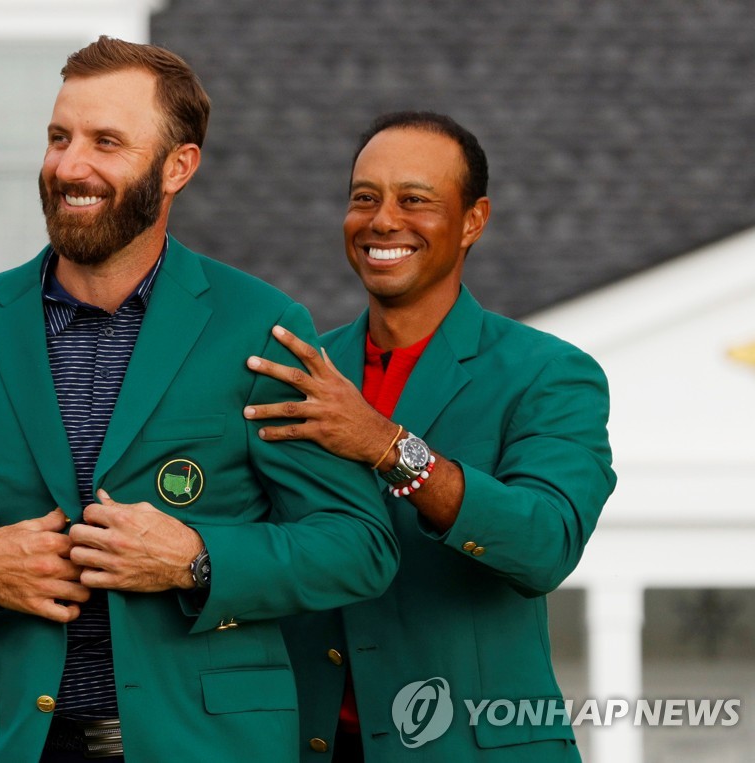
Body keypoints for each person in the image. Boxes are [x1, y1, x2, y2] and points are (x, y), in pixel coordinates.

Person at [0, 37, 399, 763]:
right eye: (59, 137)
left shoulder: (260, 328)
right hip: (15, 745)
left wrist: (199, 560)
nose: (69, 165)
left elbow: (359, 547)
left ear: (178, 166)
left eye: (106, 142)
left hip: (212, 746)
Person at [242, 112, 616, 761]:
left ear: (474, 220)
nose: (383, 220)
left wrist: (390, 447)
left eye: (415, 199)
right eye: (365, 198)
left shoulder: (550, 374)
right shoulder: (294, 374)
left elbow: (545, 543)